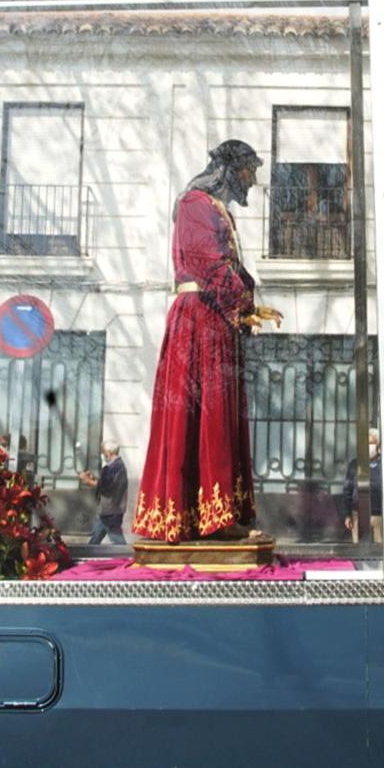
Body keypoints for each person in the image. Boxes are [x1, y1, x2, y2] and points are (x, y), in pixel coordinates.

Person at [134, 140, 281, 542]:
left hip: (215, 319)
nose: (252, 180)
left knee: (218, 414)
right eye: (249, 171)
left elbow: (230, 269)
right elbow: (209, 264)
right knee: (206, 415)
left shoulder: (215, 209)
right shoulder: (194, 204)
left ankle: (215, 516)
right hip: (199, 318)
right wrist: (242, 306)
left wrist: (249, 305)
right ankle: (204, 519)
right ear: (231, 170)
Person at [80, 441, 128, 546]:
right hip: (111, 509)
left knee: (117, 539)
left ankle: (126, 555)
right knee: (97, 535)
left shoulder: (112, 467)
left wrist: (87, 480)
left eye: (103, 451)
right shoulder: (118, 466)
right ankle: (89, 552)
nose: (103, 454)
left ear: (108, 452)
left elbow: (106, 488)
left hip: (111, 509)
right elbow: (108, 483)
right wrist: (95, 479)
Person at [343, 430, 383, 543]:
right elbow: (347, 490)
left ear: (378, 445)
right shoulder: (354, 464)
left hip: (379, 515)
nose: (368, 447)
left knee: (380, 552)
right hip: (358, 515)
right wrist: (347, 514)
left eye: (371, 443)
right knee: (359, 551)